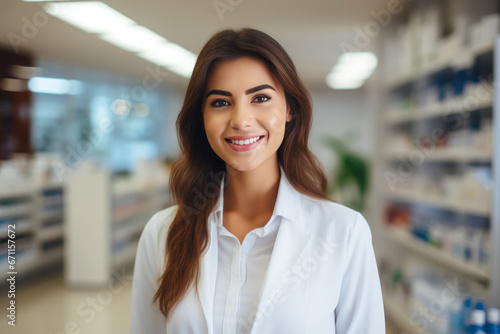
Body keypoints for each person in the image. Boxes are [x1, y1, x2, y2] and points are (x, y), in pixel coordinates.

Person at [129, 28, 385, 334]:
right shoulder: (162, 233)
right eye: (221, 103)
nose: (241, 119)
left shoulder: (344, 232)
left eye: (260, 98)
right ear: (201, 118)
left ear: (290, 109)